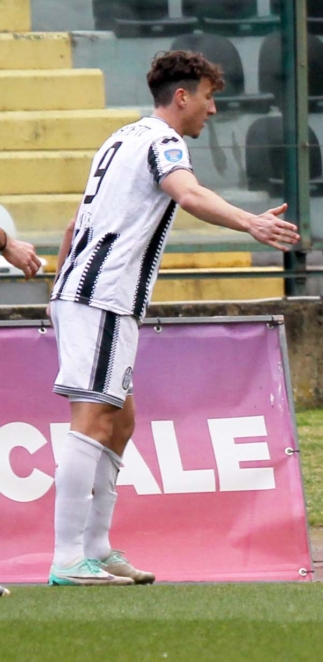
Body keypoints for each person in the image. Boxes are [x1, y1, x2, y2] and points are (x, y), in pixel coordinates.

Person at [47, 50, 300, 586]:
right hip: (102, 296)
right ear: (182, 97)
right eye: (208, 97)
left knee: (121, 421)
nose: (213, 109)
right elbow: (187, 193)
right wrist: (251, 223)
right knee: (93, 419)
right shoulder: (165, 142)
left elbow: (76, 222)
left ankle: (97, 548)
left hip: (89, 293)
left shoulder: (121, 138)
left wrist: (62, 285)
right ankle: (68, 558)